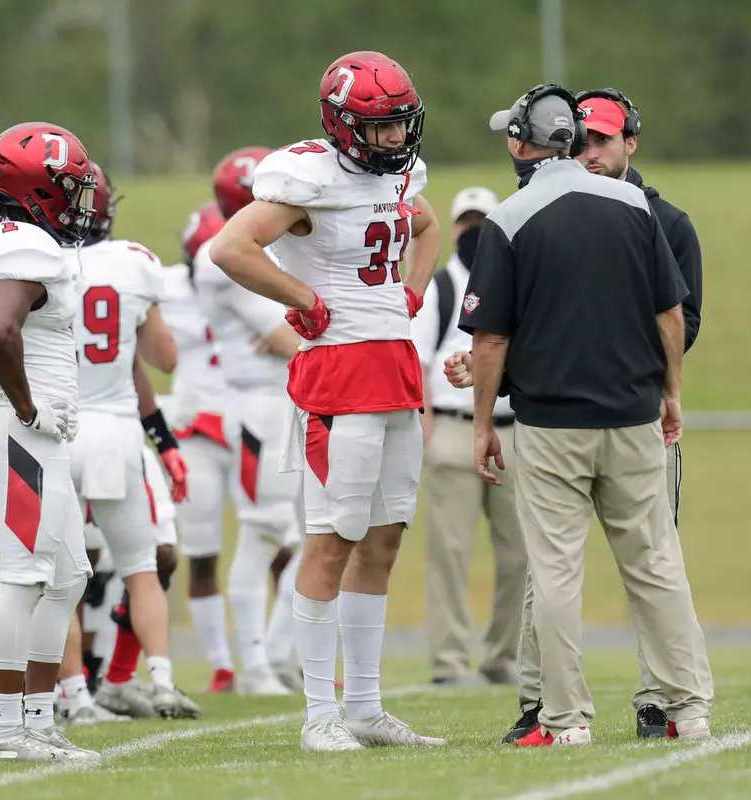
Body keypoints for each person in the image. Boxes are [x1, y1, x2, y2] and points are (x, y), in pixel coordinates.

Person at [457, 85, 713, 747]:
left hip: (548, 425)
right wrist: (672, 391)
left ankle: (565, 720)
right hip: (633, 417)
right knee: (657, 565)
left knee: (556, 572)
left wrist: (483, 422)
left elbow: (490, 339)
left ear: (522, 141)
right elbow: (668, 311)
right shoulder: (634, 205)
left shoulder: (509, 219)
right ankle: (688, 708)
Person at [210, 50, 446, 751]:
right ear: (342, 127)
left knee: (385, 538)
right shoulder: (307, 176)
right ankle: (320, 715)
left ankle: (367, 709)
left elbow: (425, 228)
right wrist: (304, 301)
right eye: (382, 128)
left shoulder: (402, 171)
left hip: (394, 364)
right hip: (338, 372)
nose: (398, 139)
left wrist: (412, 291)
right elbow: (231, 247)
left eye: (403, 125)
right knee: (331, 540)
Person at [0, 121, 100, 762]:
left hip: (22, 428)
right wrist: (29, 407)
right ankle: (9, 732)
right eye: (67, 187)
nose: (79, 199)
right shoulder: (29, 247)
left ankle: (37, 723)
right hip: (17, 428)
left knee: (67, 574)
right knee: (24, 576)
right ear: (34, 187)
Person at [67, 162, 199, 721]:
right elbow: (163, 358)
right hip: (117, 431)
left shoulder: (31, 260)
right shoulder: (133, 263)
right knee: (141, 566)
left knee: (58, 576)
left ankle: (74, 696)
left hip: (54, 432)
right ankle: (162, 681)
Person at [193, 146, 305, 696]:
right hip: (261, 404)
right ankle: (258, 664)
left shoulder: (268, 247)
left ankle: (280, 652)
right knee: (265, 533)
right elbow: (292, 337)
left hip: (292, 399)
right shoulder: (230, 256)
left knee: (315, 534)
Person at [412, 186, 526, 687]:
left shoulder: (516, 282)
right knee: (449, 553)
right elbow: (416, 360)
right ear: (454, 229)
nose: (474, 233)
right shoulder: (438, 288)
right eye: (467, 224)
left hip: (512, 431)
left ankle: (503, 656)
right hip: (454, 429)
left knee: (521, 553)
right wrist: (425, 427)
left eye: (483, 223)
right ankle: (450, 661)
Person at [159, 201, 240, 694]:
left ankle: (284, 654)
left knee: (280, 544)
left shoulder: (256, 281)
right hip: (196, 433)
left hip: (252, 421)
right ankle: (221, 663)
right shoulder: (163, 288)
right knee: (203, 551)